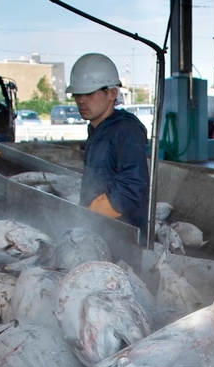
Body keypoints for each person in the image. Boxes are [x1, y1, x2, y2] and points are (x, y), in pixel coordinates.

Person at [69, 53, 149, 242]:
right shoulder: (96, 129)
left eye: (89, 93)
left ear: (112, 94)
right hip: (98, 231)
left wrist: (89, 216)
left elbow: (132, 184)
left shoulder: (126, 129)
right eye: (77, 94)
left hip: (124, 238)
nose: (81, 100)